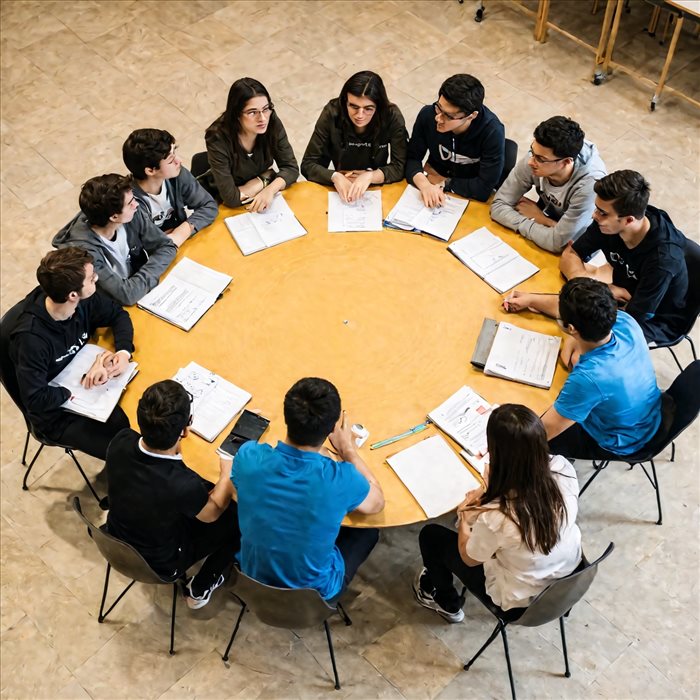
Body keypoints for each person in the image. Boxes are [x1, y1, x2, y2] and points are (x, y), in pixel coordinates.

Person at [414, 404, 581, 623]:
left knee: (431, 536)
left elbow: (469, 558)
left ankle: (446, 603)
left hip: (522, 600)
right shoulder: (563, 470)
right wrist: (492, 486)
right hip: (566, 574)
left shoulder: (499, 518)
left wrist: (464, 517)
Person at [231, 377, 384, 601]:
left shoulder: (249, 458)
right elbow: (377, 502)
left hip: (252, 576)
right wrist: (348, 449)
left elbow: (239, 479)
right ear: (333, 428)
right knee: (367, 532)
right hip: (313, 596)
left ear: (286, 417)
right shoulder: (340, 478)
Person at [106, 380, 240, 609]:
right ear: (185, 430)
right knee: (239, 516)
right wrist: (227, 472)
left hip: (116, 535)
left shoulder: (121, 439)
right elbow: (212, 512)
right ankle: (201, 587)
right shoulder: (182, 485)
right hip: (162, 562)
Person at [8, 247, 133, 460]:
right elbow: (35, 399)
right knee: (126, 453)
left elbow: (118, 315)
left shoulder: (84, 299)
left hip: (87, 386)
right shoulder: (31, 340)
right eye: (92, 279)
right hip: (56, 414)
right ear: (73, 295)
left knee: (133, 423)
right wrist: (73, 389)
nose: (97, 279)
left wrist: (123, 352)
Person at [559, 169, 689, 345]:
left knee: (577, 343)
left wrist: (596, 292)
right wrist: (586, 287)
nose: (594, 215)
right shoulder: (609, 223)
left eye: (602, 213)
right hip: (620, 297)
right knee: (565, 308)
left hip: (654, 320)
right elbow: (571, 254)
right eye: (597, 209)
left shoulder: (662, 260)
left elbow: (634, 318)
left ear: (628, 220)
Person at [540, 278, 662, 460]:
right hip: (649, 416)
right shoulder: (626, 321)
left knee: (535, 420)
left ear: (572, 328)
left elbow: (540, 434)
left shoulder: (589, 378)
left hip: (623, 441)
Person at [52, 174, 177, 306]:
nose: (136, 204)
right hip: (109, 307)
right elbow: (126, 295)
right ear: (114, 216)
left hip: (141, 291)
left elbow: (167, 247)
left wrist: (141, 282)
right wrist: (152, 275)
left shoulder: (131, 213)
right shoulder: (84, 252)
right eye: (130, 203)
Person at [490, 116, 606, 253]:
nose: (530, 162)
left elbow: (557, 244)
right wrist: (538, 223)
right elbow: (498, 206)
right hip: (549, 221)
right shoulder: (535, 159)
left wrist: (541, 219)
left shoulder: (590, 185)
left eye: (540, 159)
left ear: (566, 162)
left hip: (577, 242)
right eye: (532, 151)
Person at [300, 70, 408, 202]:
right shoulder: (332, 113)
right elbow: (308, 164)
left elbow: (400, 166)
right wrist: (334, 176)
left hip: (377, 183)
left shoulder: (391, 116)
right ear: (345, 102)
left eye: (368, 109)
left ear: (378, 107)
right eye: (353, 106)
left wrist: (371, 176)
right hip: (340, 182)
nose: (360, 115)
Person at [405, 73, 505, 207]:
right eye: (438, 107)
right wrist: (425, 185)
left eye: (449, 116)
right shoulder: (428, 114)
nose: (438, 118)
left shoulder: (492, 132)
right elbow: (411, 158)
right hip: (434, 178)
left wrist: (445, 183)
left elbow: (483, 188)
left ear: (471, 116)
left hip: (466, 192)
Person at [205, 77, 299, 212]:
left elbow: (291, 169)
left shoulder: (270, 120)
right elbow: (231, 198)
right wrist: (267, 178)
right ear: (237, 114)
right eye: (252, 112)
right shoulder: (217, 138)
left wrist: (269, 190)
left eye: (266, 109)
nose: (262, 118)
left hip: (256, 195)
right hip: (224, 204)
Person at [123, 128, 218, 244]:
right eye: (170, 160)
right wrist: (167, 240)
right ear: (150, 170)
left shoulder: (178, 174)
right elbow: (142, 245)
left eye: (175, 154)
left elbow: (209, 206)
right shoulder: (130, 203)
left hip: (181, 243)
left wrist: (183, 230)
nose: (179, 161)